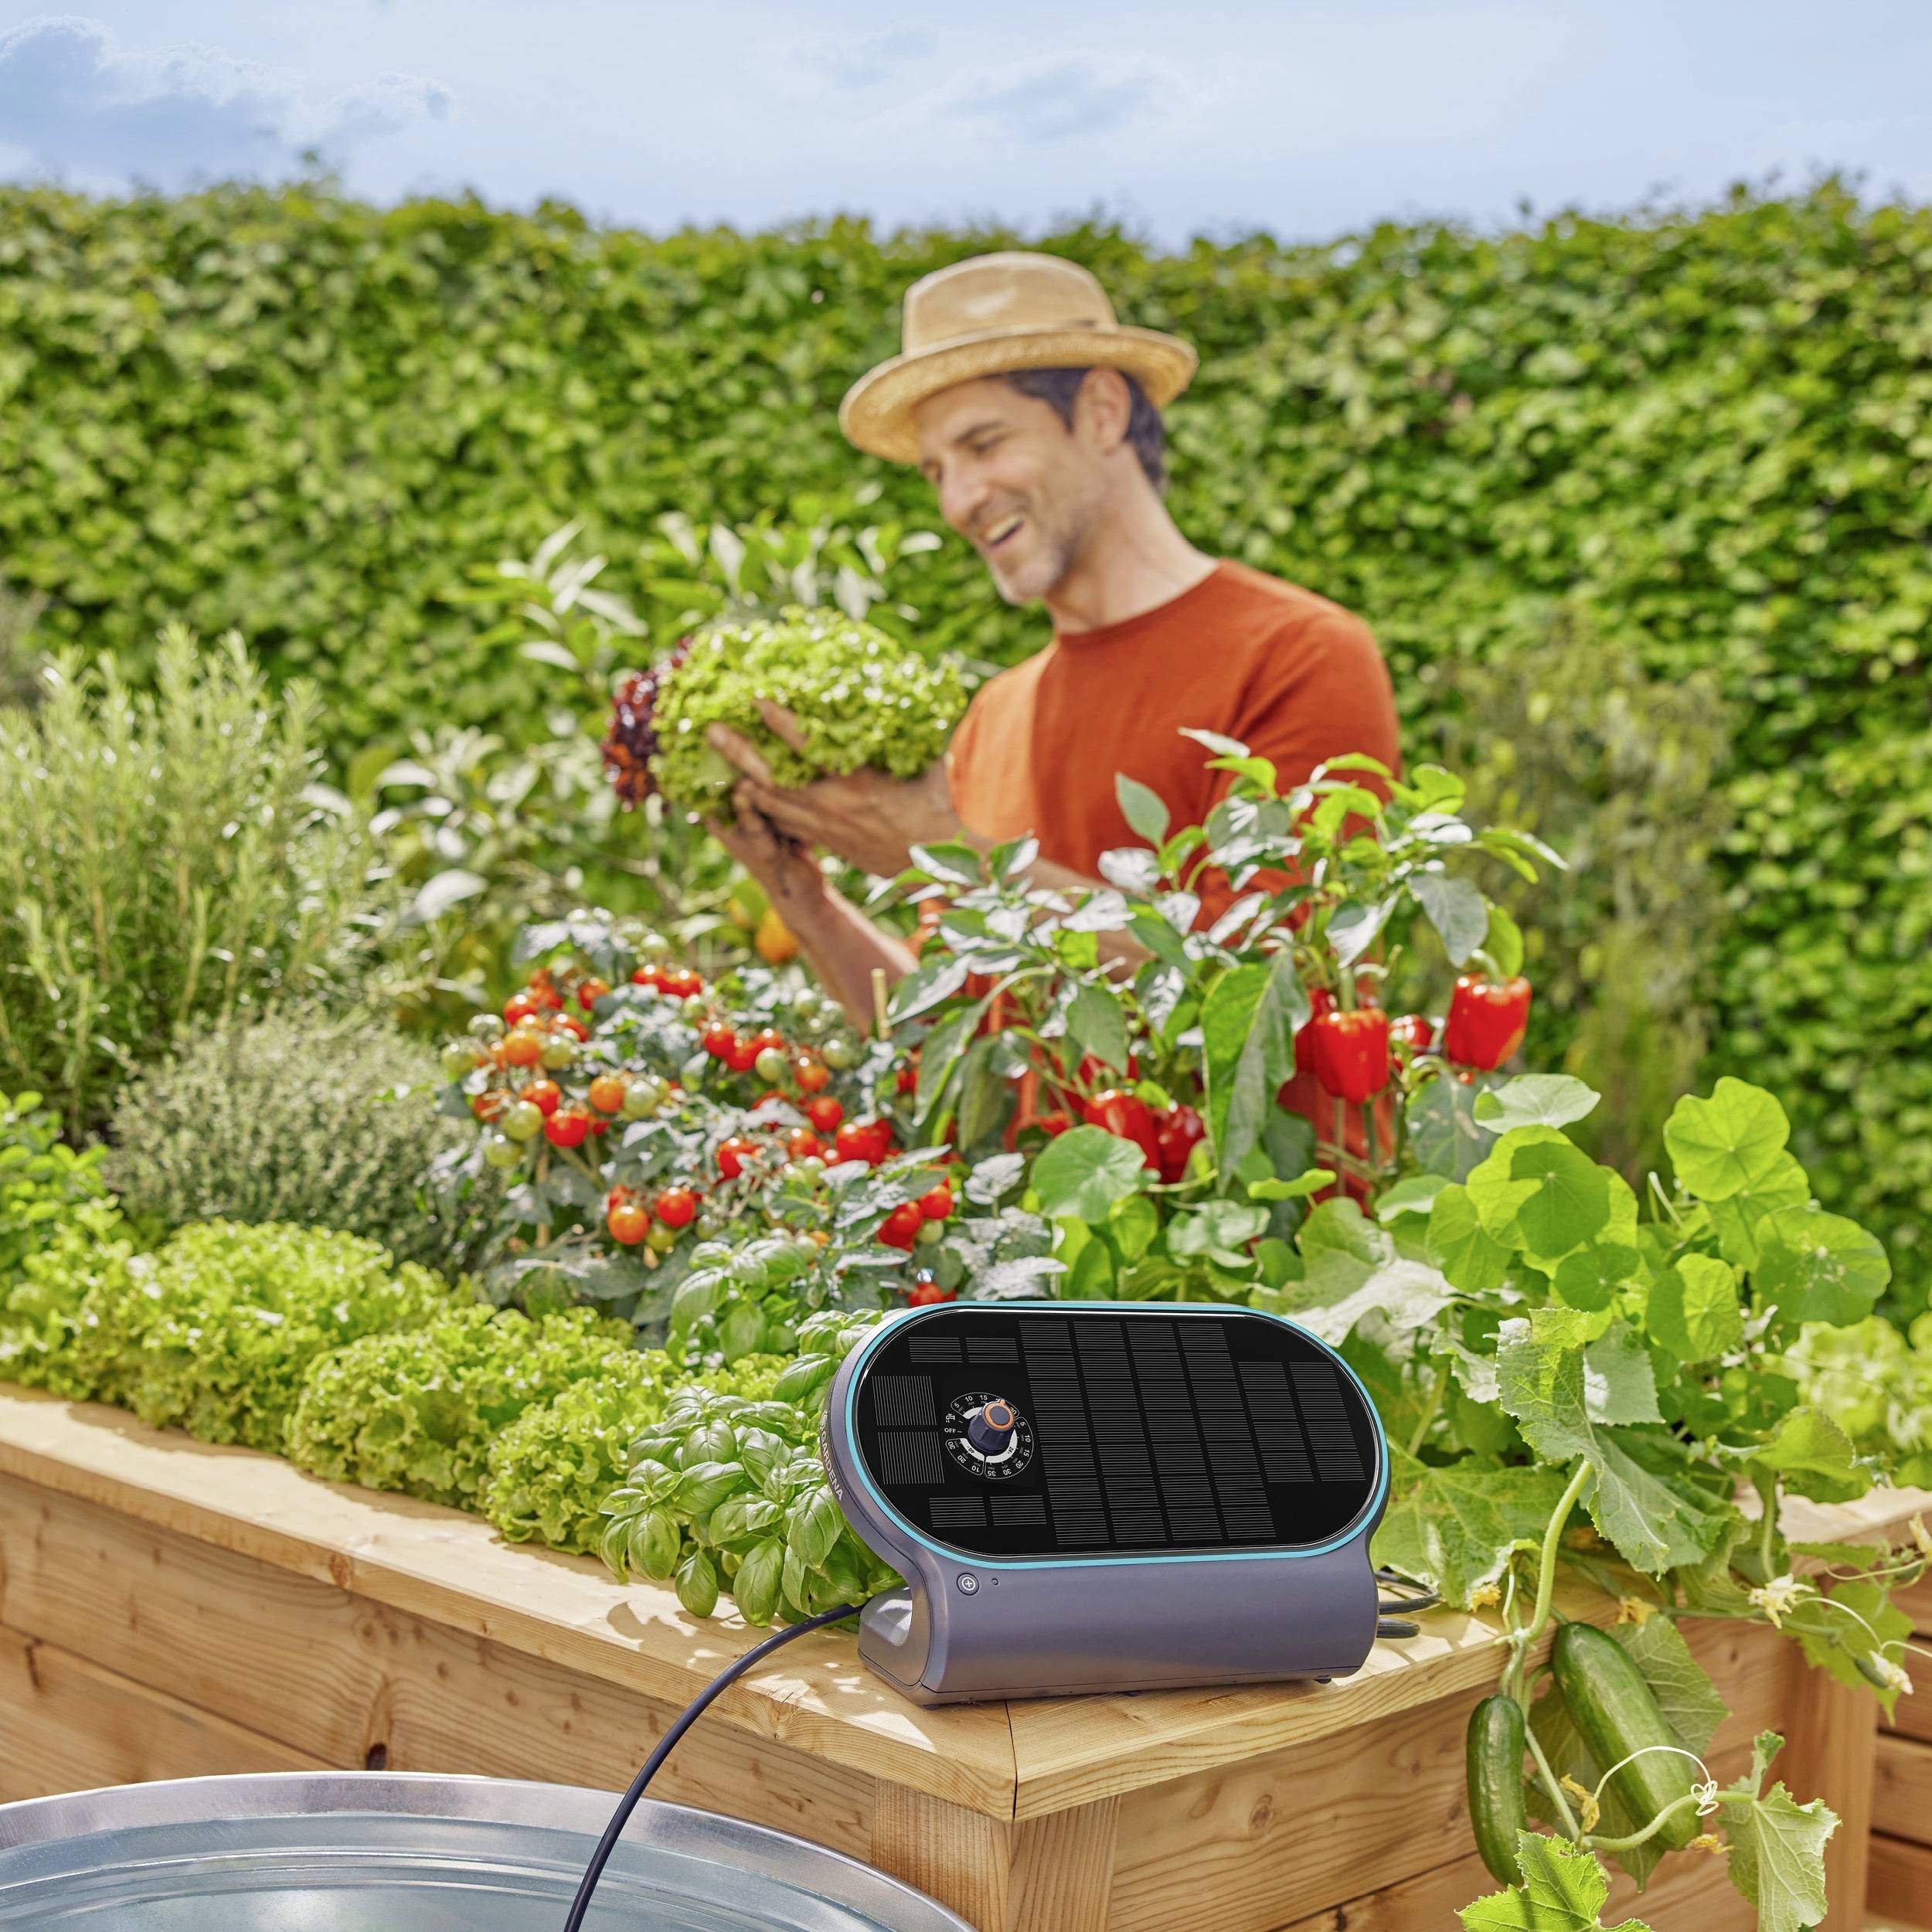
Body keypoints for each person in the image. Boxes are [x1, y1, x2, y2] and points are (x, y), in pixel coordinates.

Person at [707, 250, 1400, 1033]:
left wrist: (947, 853)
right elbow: (941, 1037)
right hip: (1032, 1165)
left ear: (1101, 411)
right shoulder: (992, 718)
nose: (959, 500)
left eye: (983, 444)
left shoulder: (1299, 654)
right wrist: (797, 894)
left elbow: (1268, 997)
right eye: (935, 471)